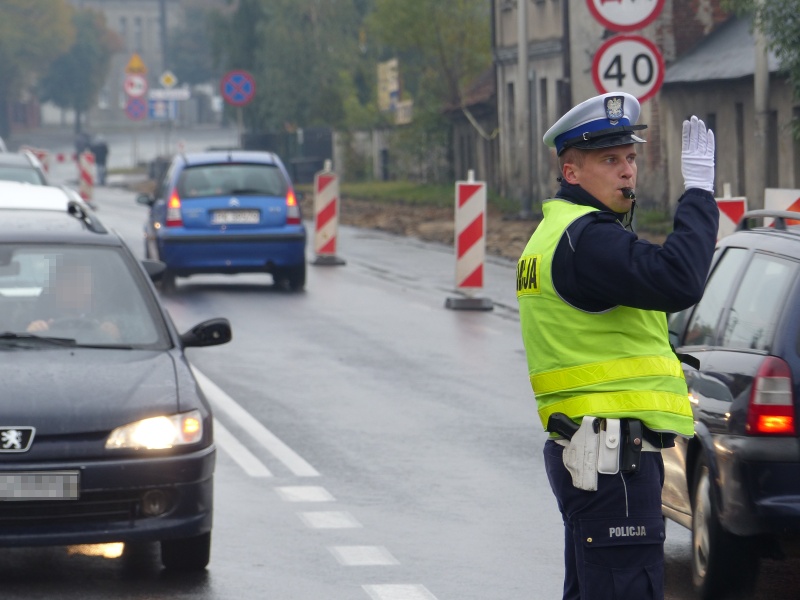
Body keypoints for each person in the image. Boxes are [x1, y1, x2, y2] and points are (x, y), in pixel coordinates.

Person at [516, 92, 719, 600]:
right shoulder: (589, 240)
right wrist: (698, 193)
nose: (627, 171)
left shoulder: (555, 234)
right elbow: (679, 279)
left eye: (630, 157)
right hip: (612, 462)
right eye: (609, 160)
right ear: (571, 172)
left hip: (594, 455)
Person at [27, 257, 120, 341]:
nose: (76, 288)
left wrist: (115, 335)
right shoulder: (31, 319)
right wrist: (29, 336)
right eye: (69, 281)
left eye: (82, 282)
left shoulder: (109, 316)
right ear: (55, 287)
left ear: (92, 288)